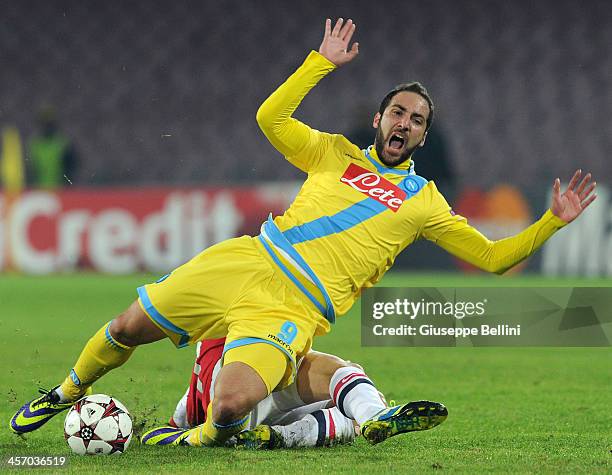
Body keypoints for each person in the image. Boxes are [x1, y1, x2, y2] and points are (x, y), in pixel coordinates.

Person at [11, 18, 596, 448]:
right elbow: (271, 119)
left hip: (295, 305)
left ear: (421, 139)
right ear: (379, 119)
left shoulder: (425, 202)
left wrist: (550, 222)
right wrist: (319, 62)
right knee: (125, 327)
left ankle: (203, 439)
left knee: (233, 402)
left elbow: (494, 258)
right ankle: (64, 390)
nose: (405, 123)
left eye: (417, 121)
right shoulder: (333, 154)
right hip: (247, 259)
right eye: (398, 112)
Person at [140, 339, 444, 449]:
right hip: (251, 372)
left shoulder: (190, 401)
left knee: (340, 405)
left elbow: (157, 434)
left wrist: (188, 436)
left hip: (233, 414)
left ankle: (282, 435)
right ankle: (370, 412)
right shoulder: (240, 309)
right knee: (343, 375)